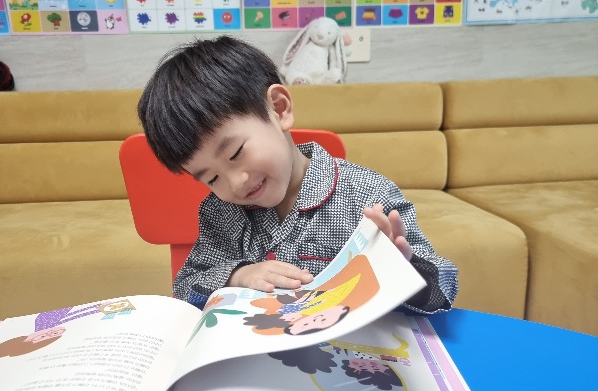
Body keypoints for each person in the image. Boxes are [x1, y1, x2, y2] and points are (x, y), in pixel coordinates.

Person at [137, 36, 458, 313]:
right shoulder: (221, 212)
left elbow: (445, 288)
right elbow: (187, 286)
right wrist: (238, 275)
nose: (235, 183)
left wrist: (406, 273)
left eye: (235, 153)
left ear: (279, 109)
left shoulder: (367, 194)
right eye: (211, 179)